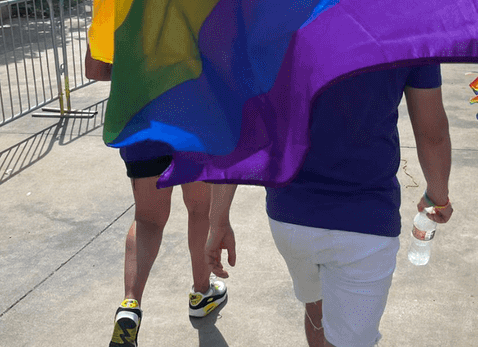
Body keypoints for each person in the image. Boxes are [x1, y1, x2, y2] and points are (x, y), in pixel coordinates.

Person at [205, 63, 452, 347]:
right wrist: (438, 195)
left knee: (316, 308)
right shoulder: (413, 26)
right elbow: (432, 132)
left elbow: (237, 122)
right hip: (367, 222)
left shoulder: (275, 19)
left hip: (290, 216)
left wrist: (218, 219)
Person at [87, 46, 227, 347]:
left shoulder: (119, 1)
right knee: (200, 210)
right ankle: (202, 294)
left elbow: (94, 69)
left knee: (147, 219)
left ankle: (130, 306)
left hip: (142, 118)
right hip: (193, 114)